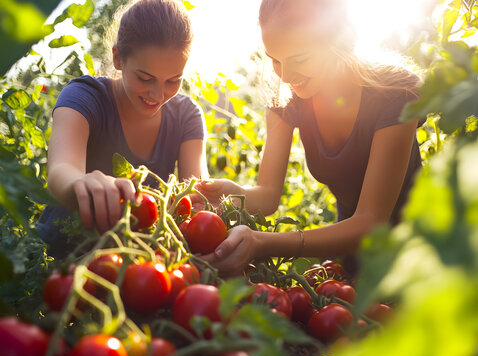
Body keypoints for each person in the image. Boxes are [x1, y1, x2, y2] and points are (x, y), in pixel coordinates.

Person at [197, 0, 423, 278]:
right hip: (346, 258)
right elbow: (268, 196)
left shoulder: (395, 95)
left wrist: (263, 243)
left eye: (299, 59)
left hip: (417, 259)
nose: (287, 76)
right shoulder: (287, 102)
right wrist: (232, 196)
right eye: (275, 60)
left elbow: (370, 222)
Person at [37, 0, 208, 257]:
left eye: (174, 80)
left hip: (131, 265)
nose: (158, 94)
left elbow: (194, 200)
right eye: (145, 78)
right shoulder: (85, 96)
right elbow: (60, 172)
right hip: (60, 259)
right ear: (118, 58)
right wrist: (81, 183)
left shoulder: (187, 116)